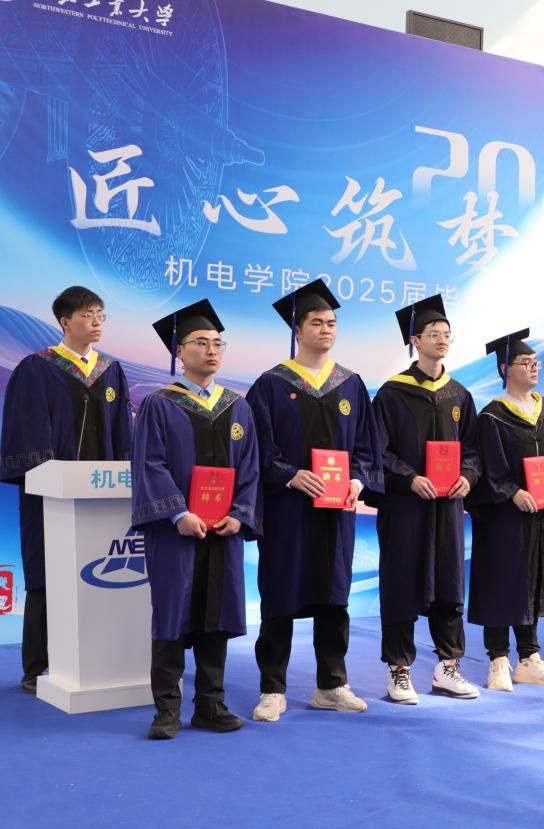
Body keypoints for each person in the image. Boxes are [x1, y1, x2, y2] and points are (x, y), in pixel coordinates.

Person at [245, 279, 383, 721]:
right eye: (317, 323)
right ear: (297, 329)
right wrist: (289, 475)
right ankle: (272, 688)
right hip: (288, 510)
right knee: (280, 594)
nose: (326, 330)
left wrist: (358, 479)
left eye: (332, 323)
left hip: (336, 511)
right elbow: (257, 448)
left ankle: (332, 684)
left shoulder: (351, 385)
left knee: (334, 596)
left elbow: (366, 446)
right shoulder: (270, 385)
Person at [131, 300, 260, 740]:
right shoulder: (159, 404)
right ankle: (166, 709)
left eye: (217, 343)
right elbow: (150, 465)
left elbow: (250, 469)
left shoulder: (237, 407)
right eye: (201, 343)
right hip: (176, 533)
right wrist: (178, 513)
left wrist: (240, 515)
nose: (211, 350)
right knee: (171, 615)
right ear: (179, 351)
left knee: (215, 617)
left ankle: (210, 704)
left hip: (223, 532)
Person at [1, 286, 132, 694]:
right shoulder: (36, 368)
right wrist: (48, 476)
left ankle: (100, 657)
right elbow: (27, 431)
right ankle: (38, 665)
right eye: (87, 315)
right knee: (47, 573)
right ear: (65, 321)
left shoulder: (111, 371)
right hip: (52, 498)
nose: (96, 322)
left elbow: (123, 436)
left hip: (102, 498)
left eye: (100, 315)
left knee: (100, 572)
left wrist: (126, 476)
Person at [371, 296, 481, 702]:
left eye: (446, 334)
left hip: (447, 507)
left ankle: (448, 667)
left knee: (449, 585)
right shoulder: (392, 394)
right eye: (433, 334)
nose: (442, 340)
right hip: (406, 508)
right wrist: (408, 478)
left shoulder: (459, 395)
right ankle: (398, 670)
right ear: (415, 340)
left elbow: (473, 449)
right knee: (402, 584)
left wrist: (468, 476)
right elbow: (376, 451)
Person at [466, 328, 544, 691]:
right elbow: (487, 468)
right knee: (501, 581)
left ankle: (529, 658)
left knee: (533, 579)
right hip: (503, 517)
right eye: (525, 362)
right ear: (505, 369)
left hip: (540, 513)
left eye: (535, 362)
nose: (533, 367)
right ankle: (498, 660)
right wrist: (512, 492)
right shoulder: (492, 416)